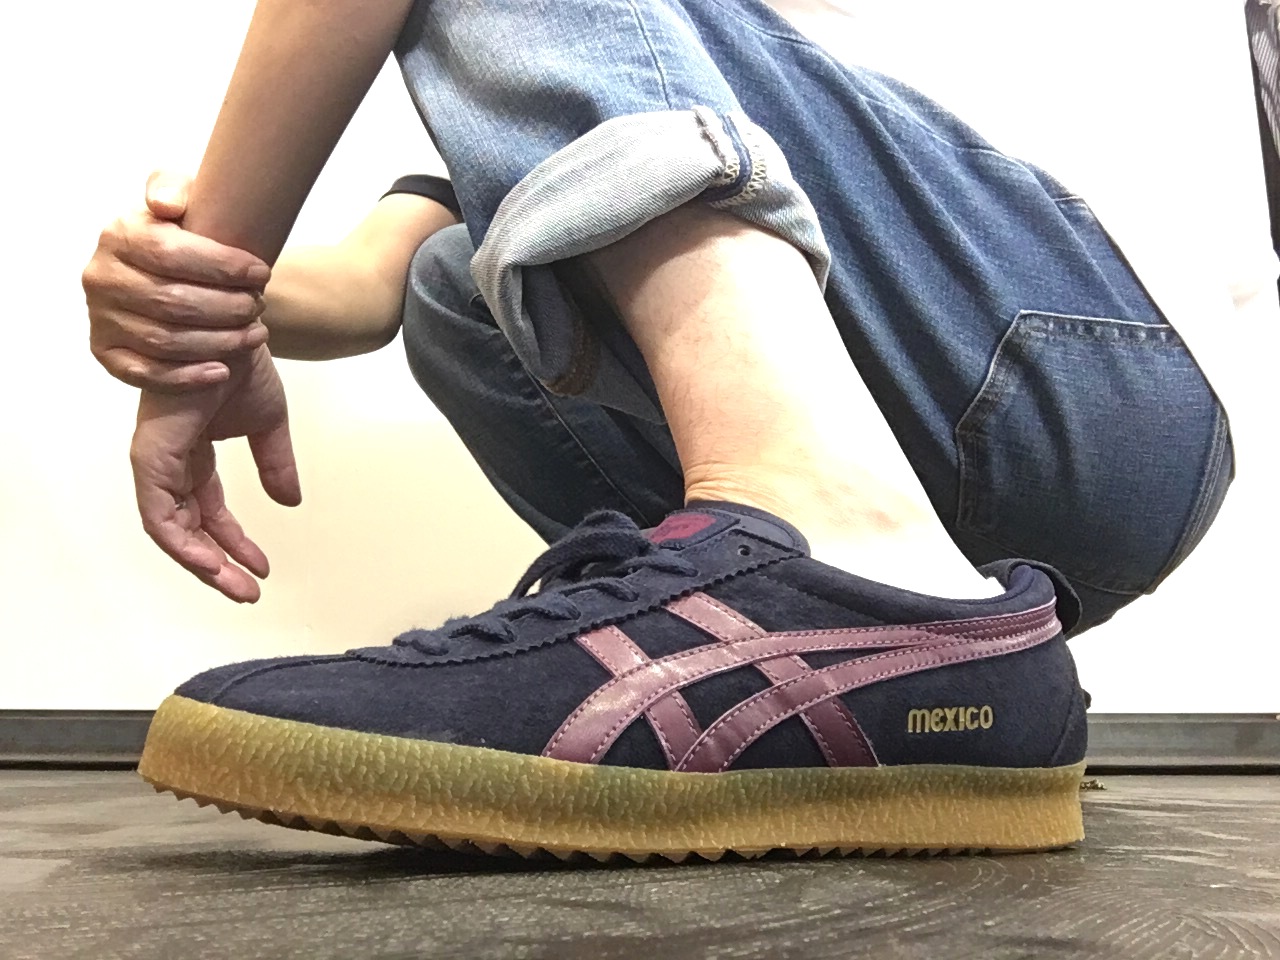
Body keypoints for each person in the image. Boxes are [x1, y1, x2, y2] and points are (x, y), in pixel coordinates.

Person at [85, 0, 1233, 860]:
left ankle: (821, 530)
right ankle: (861, 658)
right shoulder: (557, 79)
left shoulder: (629, 40)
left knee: (516, 231)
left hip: (1078, 375)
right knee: (456, 280)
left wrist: (217, 256)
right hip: (1025, 506)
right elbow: (363, 288)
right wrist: (187, 296)